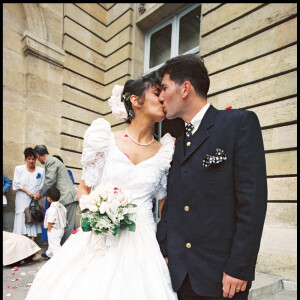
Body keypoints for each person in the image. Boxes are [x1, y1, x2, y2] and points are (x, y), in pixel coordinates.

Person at [25, 71, 178, 300]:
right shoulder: (105, 140)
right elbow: (84, 188)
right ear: (136, 101)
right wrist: (95, 212)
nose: (164, 99)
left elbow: (165, 205)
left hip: (143, 242)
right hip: (100, 238)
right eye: (157, 93)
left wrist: (167, 248)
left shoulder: (165, 152)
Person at [156, 54, 267, 300]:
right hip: (181, 276)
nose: (161, 96)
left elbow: (252, 204)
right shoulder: (177, 142)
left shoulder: (238, 124)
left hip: (223, 278)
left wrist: (240, 266)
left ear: (185, 88)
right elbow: (173, 206)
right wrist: (165, 251)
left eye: (164, 88)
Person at [33, 146, 78, 245]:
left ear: (37, 156)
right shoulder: (52, 160)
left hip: (67, 198)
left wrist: (40, 193)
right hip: (66, 198)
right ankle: (64, 252)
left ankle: (66, 253)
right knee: (63, 226)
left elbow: (50, 181)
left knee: (66, 227)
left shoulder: (51, 161)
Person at [12, 147, 45, 241]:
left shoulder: (41, 171)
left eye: (33, 159)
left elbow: (42, 185)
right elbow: (16, 184)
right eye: (29, 159)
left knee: (32, 217)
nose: (31, 161)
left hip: (35, 199)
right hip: (22, 198)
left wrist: (38, 194)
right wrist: (27, 191)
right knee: (22, 218)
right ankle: (22, 241)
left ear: (36, 159)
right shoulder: (19, 169)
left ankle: (32, 242)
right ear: (26, 159)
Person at [41, 155, 75, 242]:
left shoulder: (67, 172)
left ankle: (63, 248)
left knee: (65, 225)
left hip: (63, 199)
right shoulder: (49, 172)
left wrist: (40, 193)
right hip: (53, 199)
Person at [42, 187, 67, 260]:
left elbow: (50, 221)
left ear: (49, 198)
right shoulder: (61, 206)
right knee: (53, 243)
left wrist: (49, 230)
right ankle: (49, 254)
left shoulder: (52, 209)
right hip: (61, 228)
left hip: (54, 229)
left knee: (55, 245)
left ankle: (60, 258)